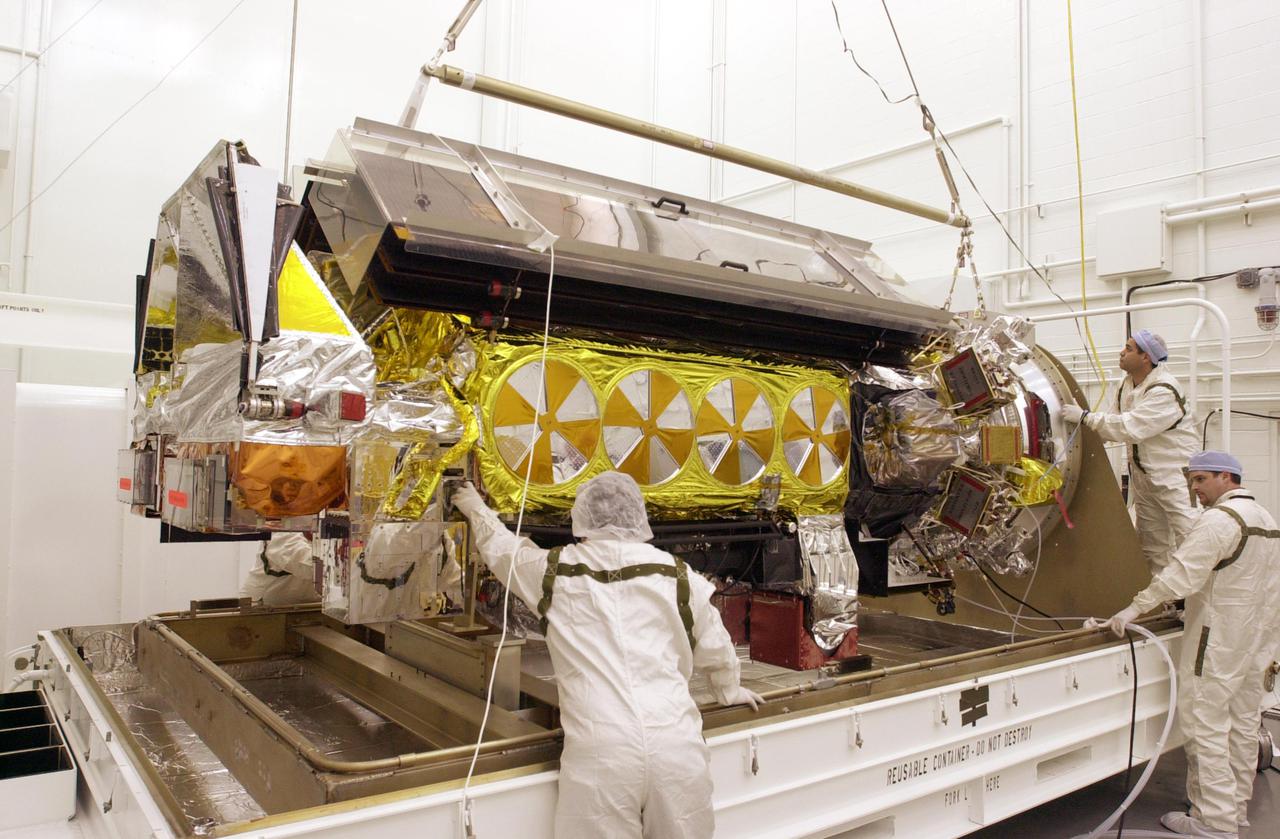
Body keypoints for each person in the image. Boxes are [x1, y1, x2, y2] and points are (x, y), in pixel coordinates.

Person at [451, 471, 762, 839]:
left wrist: (473, 506)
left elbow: (504, 550)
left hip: (602, 755)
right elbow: (716, 645)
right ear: (638, 518)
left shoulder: (555, 573)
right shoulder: (682, 577)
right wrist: (729, 690)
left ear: (580, 520)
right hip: (676, 746)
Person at [1089, 451, 1280, 839]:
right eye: (1192, 480)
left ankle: (1213, 822)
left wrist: (1131, 610)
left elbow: (1180, 576)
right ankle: (1236, 809)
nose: (1195, 490)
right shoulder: (1266, 519)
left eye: (1201, 480)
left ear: (1228, 477)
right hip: (1257, 640)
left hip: (1218, 642)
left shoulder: (1218, 522)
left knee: (1206, 726)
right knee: (1242, 726)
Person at [1060, 329, 1199, 574]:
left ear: (1146, 357)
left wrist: (1085, 418)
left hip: (1174, 476)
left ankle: (1197, 604)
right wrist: (1071, 443)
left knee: (1191, 539)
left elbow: (1131, 427)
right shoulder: (1126, 385)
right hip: (1144, 477)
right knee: (1151, 543)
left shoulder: (1164, 390)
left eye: (1128, 348)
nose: (1121, 352)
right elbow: (1112, 423)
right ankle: (1162, 601)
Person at [240, 532, 318, 605]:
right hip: (263, 609)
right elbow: (309, 565)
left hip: (304, 605)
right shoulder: (281, 534)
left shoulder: (316, 534)